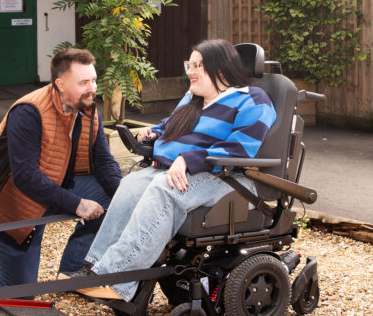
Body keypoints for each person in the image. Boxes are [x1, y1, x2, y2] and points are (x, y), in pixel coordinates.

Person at [73, 39, 277, 301]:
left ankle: (116, 276)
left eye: (197, 65)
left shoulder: (253, 100)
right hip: (183, 171)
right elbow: (170, 126)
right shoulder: (193, 96)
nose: (190, 71)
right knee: (131, 185)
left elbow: (241, 149)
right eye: (188, 64)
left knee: (163, 189)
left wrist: (188, 159)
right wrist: (153, 133)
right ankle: (95, 267)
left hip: (229, 178)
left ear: (221, 69)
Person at [0, 48, 121, 287]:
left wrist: (125, 196)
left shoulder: (87, 108)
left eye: (93, 80)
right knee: (19, 293)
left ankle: (71, 271)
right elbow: (25, 177)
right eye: (83, 82)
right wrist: (77, 204)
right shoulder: (29, 111)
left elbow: (104, 162)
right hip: (7, 200)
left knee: (112, 197)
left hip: (53, 187)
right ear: (60, 84)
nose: (92, 88)